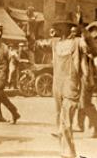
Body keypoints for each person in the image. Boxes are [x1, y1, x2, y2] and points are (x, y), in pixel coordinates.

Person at [37, 14, 88, 158]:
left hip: (71, 84)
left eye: (61, 27)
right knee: (60, 120)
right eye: (57, 27)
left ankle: (69, 154)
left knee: (66, 121)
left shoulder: (78, 42)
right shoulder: (55, 43)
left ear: (69, 28)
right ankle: (65, 150)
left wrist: (83, 28)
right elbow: (38, 45)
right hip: (57, 85)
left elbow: (90, 49)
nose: (58, 29)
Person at [76, 21, 97, 137]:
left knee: (85, 103)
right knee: (80, 102)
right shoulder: (81, 42)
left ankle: (96, 126)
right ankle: (80, 125)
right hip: (81, 75)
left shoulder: (91, 44)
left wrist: (82, 28)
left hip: (88, 76)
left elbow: (92, 48)